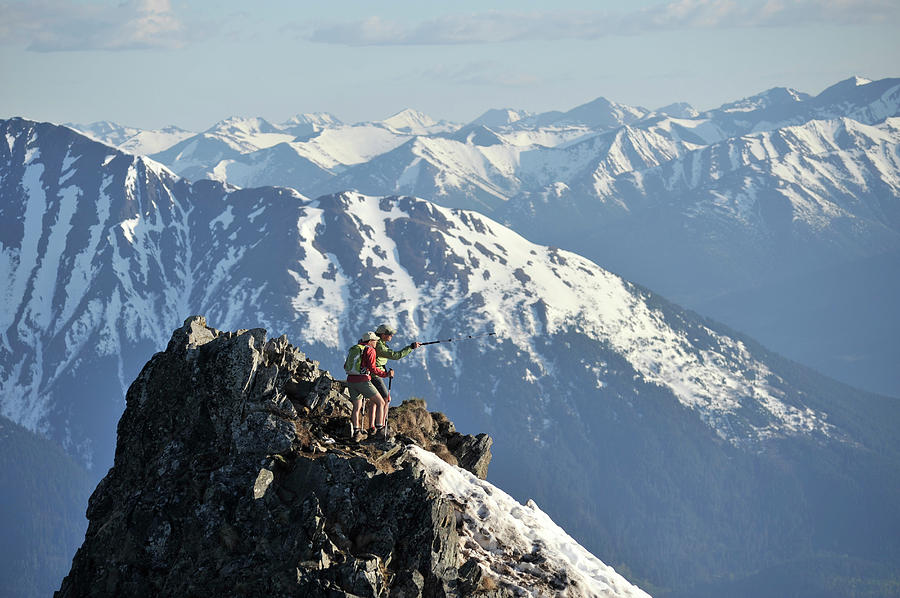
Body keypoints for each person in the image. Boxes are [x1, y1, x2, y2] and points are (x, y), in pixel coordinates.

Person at [344, 331, 394, 442]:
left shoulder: (355, 349)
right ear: (370, 341)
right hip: (363, 380)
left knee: (357, 407)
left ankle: (356, 432)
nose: (376, 342)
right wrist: (386, 374)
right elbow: (373, 368)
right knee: (381, 402)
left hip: (350, 380)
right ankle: (379, 429)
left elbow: (345, 366)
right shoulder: (370, 350)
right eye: (375, 340)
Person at [371, 324, 421, 430]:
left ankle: (372, 426)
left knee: (375, 401)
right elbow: (395, 355)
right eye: (390, 334)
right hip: (375, 375)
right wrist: (411, 347)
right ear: (383, 334)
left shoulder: (377, 343)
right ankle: (381, 426)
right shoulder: (379, 345)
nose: (392, 336)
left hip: (372, 374)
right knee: (386, 399)